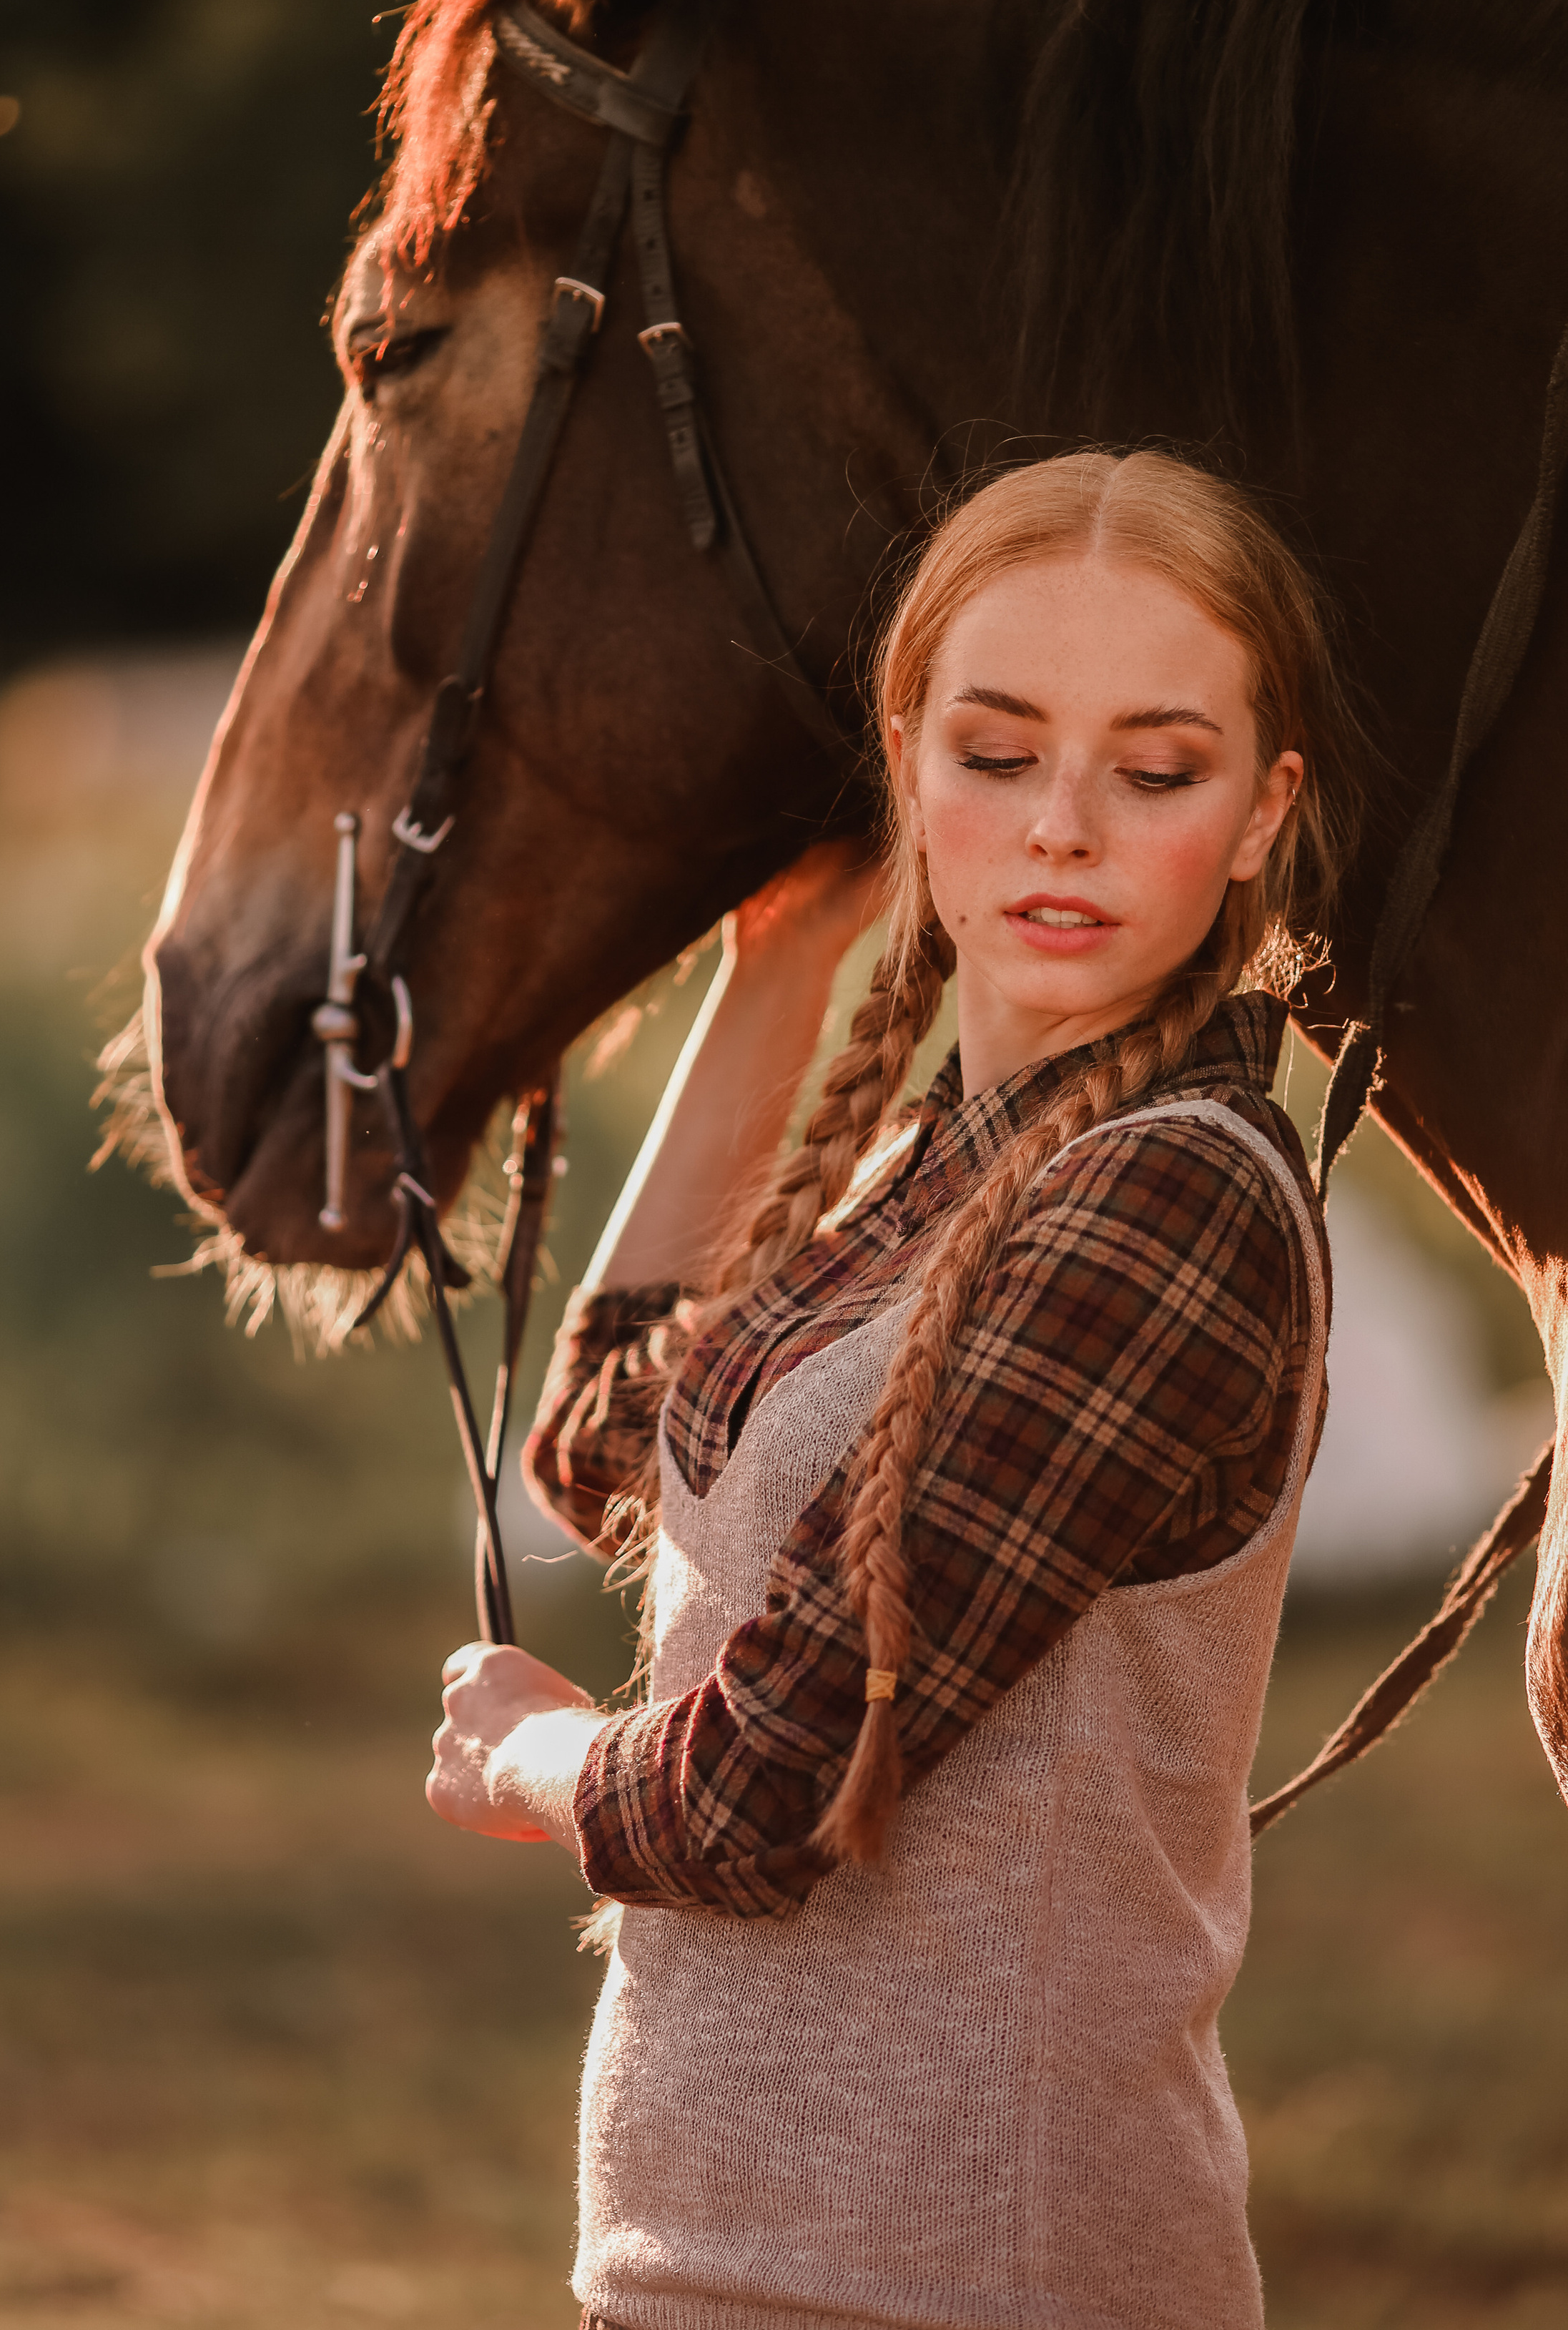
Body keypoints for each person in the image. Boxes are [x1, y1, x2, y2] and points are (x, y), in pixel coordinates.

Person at [426, 448, 1358, 2330]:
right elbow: (611, 1453)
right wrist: (781, 966)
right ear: (911, 760)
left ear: (1262, 816)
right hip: (719, 2263)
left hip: (977, 2276)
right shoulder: (946, 1164)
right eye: (995, 753)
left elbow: (767, 1783)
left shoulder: (1169, 1196)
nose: (1062, 827)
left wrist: (529, 1757)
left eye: (1155, 769)